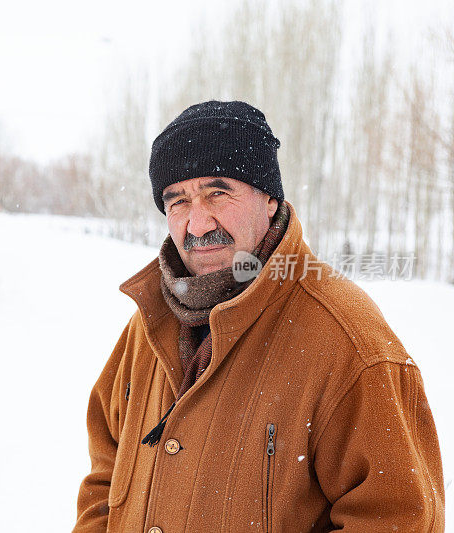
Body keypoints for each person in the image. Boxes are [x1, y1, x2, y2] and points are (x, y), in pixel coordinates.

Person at [73, 101, 444, 531]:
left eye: (218, 193)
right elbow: (105, 474)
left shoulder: (346, 337)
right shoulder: (152, 321)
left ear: (269, 199)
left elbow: (397, 517)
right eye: (177, 201)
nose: (196, 224)